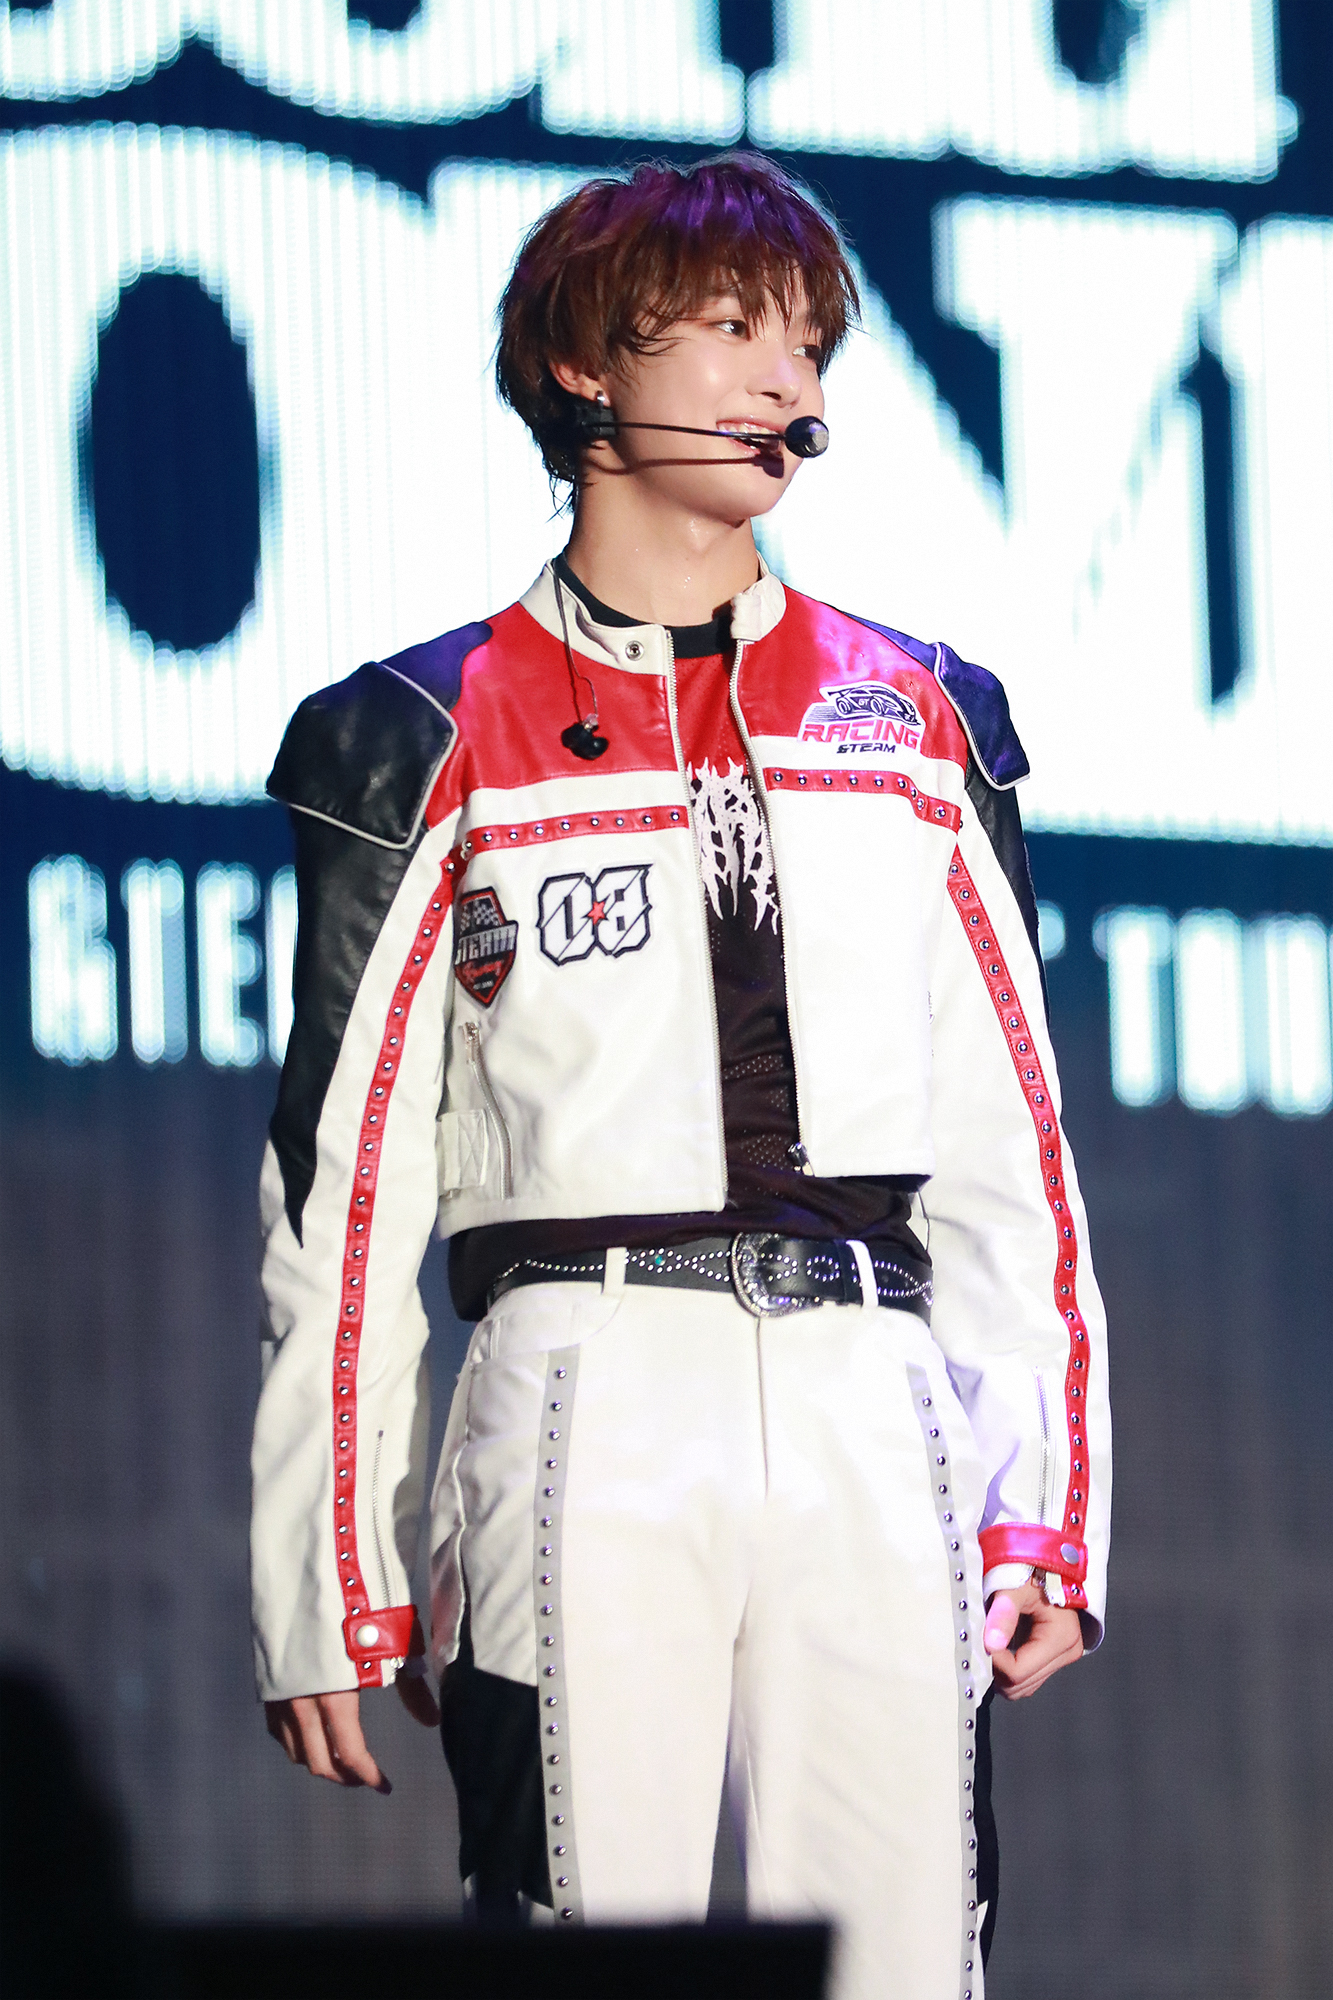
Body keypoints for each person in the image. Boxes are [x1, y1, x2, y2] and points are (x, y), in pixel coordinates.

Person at [252, 155, 1109, 2000]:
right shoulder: (426, 726)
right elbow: (343, 1188)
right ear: (583, 366)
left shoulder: (920, 713)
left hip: (872, 1387)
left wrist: (1043, 1498)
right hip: (583, 1381)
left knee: (909, 1963)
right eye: (728, 329)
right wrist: (328, 1567)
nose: (781, 379)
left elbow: (1008, 1151)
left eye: (804, 344)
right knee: (581, 1945)